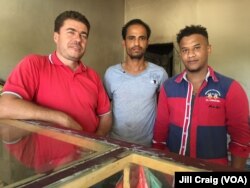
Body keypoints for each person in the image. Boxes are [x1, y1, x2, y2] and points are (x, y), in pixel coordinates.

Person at [0, 10, 112, 172]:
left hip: (90, 164)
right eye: (71, 32)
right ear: (56, 37)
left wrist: (95, 143)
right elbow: (4, 107)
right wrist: (61, 118)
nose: (78, 39)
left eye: (83, 35)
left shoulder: (93, 75)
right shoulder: (35, 64)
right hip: (50, 170)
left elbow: (106, 115)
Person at [153, 25, 250, 170]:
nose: (190, 54)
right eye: (185, 50)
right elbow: (160, 133)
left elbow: (240, 141)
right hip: (172, 168)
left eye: (196, 48)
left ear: (209, 49)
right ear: (180, 54)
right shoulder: (168, 87)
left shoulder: (230, 88)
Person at [104, 19, 168, 146]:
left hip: (148, 147)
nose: (136, 43)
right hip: (116, 145)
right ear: (124, 42)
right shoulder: (111, 74)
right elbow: (104, 111)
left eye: (142, 38)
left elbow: (164, 110)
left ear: (147, 42)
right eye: (131, 38)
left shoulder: (160, 73)